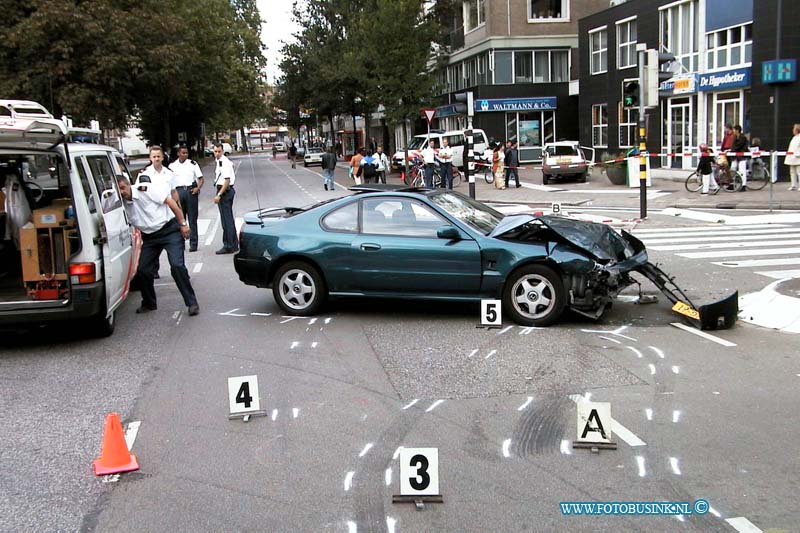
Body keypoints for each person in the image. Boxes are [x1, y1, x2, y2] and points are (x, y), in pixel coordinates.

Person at [117, 174, 199, 316]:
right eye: (119, 190)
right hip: (149, 237)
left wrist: (183, 224)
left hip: (169, 230)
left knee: (177, 266)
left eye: (123, 188)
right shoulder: (119, 202)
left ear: (129, 184)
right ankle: (149, 303)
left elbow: (171, 202)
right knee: (143, 270)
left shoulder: (145, 190)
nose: (122, 192)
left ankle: (192, 303)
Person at [168, 145, 204, 252]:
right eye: (183, 153)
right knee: (180, 219)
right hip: (178, 192)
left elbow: (201, 178)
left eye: (186, 153)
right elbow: (169, 181)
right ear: (178, 153)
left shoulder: (193, 164)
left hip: (190, 191)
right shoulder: (172, 166)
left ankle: (193, 244)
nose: (185, 155)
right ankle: (180, 243)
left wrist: (197, 188)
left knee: (192, 219)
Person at [212, 142, 238, 254]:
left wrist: (219, 194)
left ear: (222, 151)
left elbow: (226, 180)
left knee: (226, 220)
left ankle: (229, 245)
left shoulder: (223, 162)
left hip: (225, 192)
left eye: (219, 151)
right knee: (228, 219)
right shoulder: (221, 161)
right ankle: (233, 244)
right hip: (225, 190)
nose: (217, 153)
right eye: (215, 151)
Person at [731, 125, 749, 190]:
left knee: (742, 171)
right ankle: (732, 184)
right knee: (733, 169)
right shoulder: (735, 137)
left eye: (734, 130)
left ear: (737, 130)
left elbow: (738, 146)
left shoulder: (742, 137)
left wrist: (732, 150)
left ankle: (743, 185)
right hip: (736, 156)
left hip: (741, 157)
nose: (733, 131)